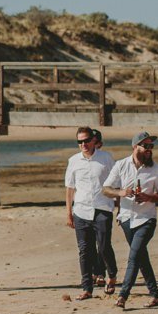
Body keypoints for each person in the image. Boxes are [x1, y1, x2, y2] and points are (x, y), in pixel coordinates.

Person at [102, 131, 158, 309]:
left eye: (151, 146)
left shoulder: (156, 169)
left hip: (147, 219)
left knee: (133, 256)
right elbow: (106, 189)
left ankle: (123, 295)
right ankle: (155, 295)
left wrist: (149, 197)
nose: (149, 150)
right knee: (141, 257)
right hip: (126, 218)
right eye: (145, 146)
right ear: (135, 147)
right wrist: (121, 192)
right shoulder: (121, 165)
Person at [65, 126, 117, 299]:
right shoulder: (73, 161)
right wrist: (68, 213)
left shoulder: (106, 158)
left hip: (102, 208)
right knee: (84, 250)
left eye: (86, 140)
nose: (83, 144)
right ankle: (87, 288)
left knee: (103, 246)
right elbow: (70, 188)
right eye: (80, 142)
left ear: (94, 140)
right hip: (80, 209)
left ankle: (112, 275)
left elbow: (116, 182)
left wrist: (120, 205)